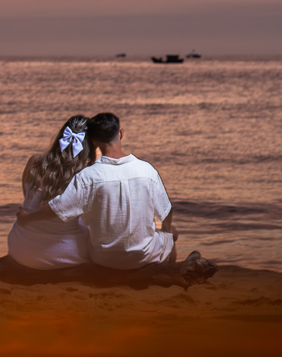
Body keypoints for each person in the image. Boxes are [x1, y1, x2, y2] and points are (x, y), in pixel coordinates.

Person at [16, 112, 177, 269]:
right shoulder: (146, 170)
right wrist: (167, 230)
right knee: (171, 236)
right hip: (131, 255)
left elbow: (53, 208)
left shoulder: (85, 175)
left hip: (96, 256)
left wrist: (27, 217)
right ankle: (170, 275)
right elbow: (166, 211)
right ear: (120, 134)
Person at [5, 115, 96, 269]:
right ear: (90, 145)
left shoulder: (35, 161)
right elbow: (58, 209)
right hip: (61, 254)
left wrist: (28, 218)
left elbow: (30, 202)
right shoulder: (86, 175)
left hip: (21, 249)